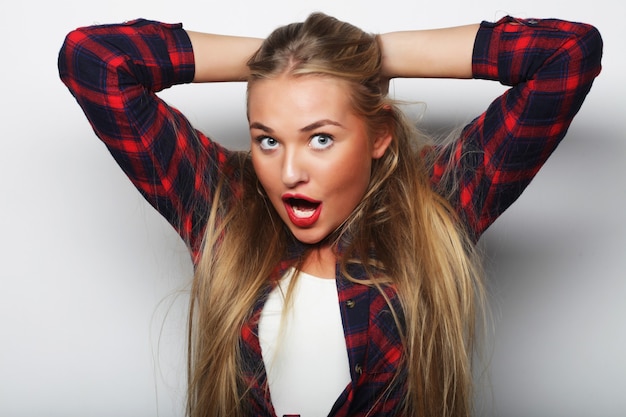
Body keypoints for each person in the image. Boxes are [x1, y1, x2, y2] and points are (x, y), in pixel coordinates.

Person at [58, 12, 602, 417]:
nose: (290, 171)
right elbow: (94, 59)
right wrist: (282, 57)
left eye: (320, 138)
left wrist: (367, 55)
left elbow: (566, 54)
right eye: (267, 140)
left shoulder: (436, 203)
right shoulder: (223, 206)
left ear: (380, 136)